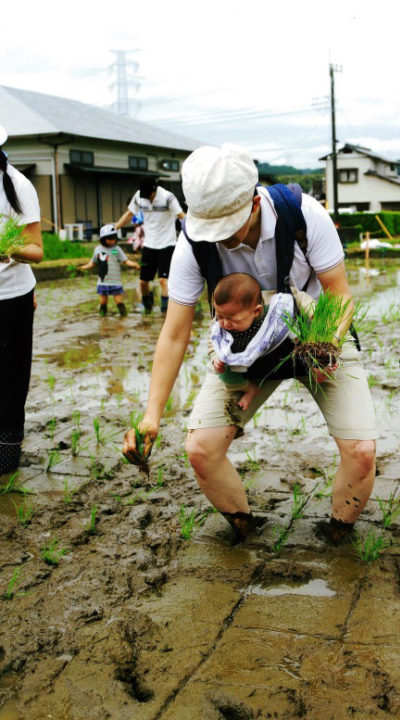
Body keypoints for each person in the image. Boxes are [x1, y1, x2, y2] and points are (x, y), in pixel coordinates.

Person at [123, 144, 376, 545]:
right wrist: (151, 415)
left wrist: (325, 344)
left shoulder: (304, 215)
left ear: (254, 202)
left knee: (361, 449)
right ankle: (246, 529)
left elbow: (340, 295)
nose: (219, 240)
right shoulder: (193, 243)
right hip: (246, 348)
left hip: (316, 335)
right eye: (211, 231)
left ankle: (338, 534)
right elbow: (174, 332)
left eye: (228, 229)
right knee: (201, 448)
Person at [0, 124, 43, 474]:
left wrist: (8, 249)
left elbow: (37, 250)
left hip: (11, 295)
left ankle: (7, 455)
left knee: (12, 374)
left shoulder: (17, 185)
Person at [211, 272, 314, 411]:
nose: (225, 323)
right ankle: (249, 389)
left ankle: (315, 367)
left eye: (232, 319)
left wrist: (304, 336)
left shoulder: (272, 314)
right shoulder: (222, 325)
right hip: (247, 363)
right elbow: (214, 340)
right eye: (220, 316)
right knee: (226, 377)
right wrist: (217, 357)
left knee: (307, 345)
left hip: (282, 351)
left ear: (256, 311)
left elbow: (295, 309)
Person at [115, 177, 185, 314]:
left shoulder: (168, 197)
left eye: (149, 195)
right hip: (149, 245)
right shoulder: (139, 196)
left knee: (163, 280)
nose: (146, 198)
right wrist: (115, 228)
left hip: (167, 244)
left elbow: (182, 216)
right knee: (143, 282)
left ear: (155, 190)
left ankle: (165, 312)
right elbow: (129, 214)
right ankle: (148, 308)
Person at [78, 224, 140, 316]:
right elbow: (92, 263)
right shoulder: (98, 250)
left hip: (115, 282)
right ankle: (103, 319)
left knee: (119, 301)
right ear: (103, 239)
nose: (112, 241)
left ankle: (123, 317)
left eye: (114, 238)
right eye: (109, 239)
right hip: (103, 282)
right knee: (103, 302)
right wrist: (82, 268)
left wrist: (135, 265)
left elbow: (125, 261)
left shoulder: (116, 250)